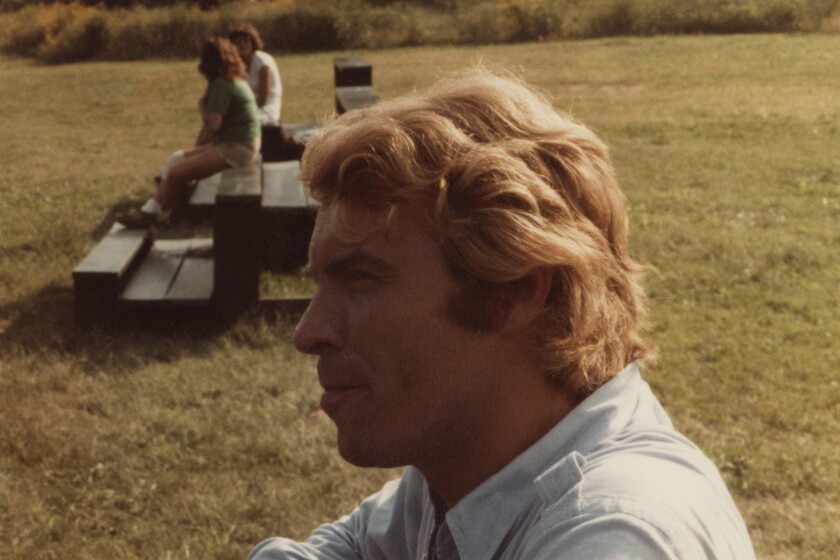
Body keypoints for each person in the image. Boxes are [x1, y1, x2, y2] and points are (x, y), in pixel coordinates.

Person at [247, 69, 756, 559]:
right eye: (321, 284)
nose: (308, 333)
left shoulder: (616, 535)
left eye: (360, 279)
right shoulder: (474, 465)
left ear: (513, 294)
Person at [117, 37, 260, 228]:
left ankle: (159, 215)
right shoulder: (234, 79)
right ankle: (151, 210)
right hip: (238, 143)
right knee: (176, 159)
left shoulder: (221, 84)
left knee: (176, 173)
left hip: (237, 148)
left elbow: (213, 125)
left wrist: (201, 106)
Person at [229, 23, 282, 127]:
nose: (242, 45)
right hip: (247, 108)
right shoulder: (234, 64)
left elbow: (262, 100)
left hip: (266, 109)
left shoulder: (263, 62)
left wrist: (238, 111)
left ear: (252, 42)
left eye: (246, 41)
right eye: (238, 42)